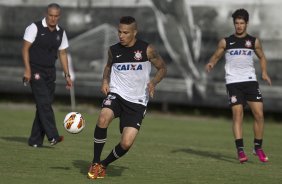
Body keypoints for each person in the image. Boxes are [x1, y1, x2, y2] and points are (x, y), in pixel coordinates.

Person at [87, 16, 167, 179]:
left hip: (137, 102)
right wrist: (104, 81)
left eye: (125, 32)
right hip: (117, 94)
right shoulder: (113, 50)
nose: (121, 36)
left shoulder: (147, 49)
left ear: (134, 33)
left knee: (126, 143)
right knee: (103, 118)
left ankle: (104, 164)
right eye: (119, 32)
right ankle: (95, 162)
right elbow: (108, 66)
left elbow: (162, 68)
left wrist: (153, 82)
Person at [205, 9, 271, 163]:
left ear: (246, 23)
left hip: (250, 81)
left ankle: (257, 147)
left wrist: (264, 72)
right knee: (237, 114)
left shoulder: (254, 41)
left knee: (259, 115)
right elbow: (216, 56)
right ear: (234, 24)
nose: (239, 26)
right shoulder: (225, 41)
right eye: (236, 23)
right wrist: (211, 63)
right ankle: (240, 150)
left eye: (242, 23)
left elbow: (262, 57)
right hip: (233, 82)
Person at [22, 3, 73, 147]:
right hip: (35, 70)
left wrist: (67, 75)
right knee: (44, 103)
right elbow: (25, 49)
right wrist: (27, 70)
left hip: (50, 72)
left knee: (43, 105)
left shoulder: (61, 32)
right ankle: (53, 136)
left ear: (59, 16)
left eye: (56, 16)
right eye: (51, 15)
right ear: (46, 14)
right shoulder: (34, 27)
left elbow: (62, 53)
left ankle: (35, 141)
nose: (53, 18)